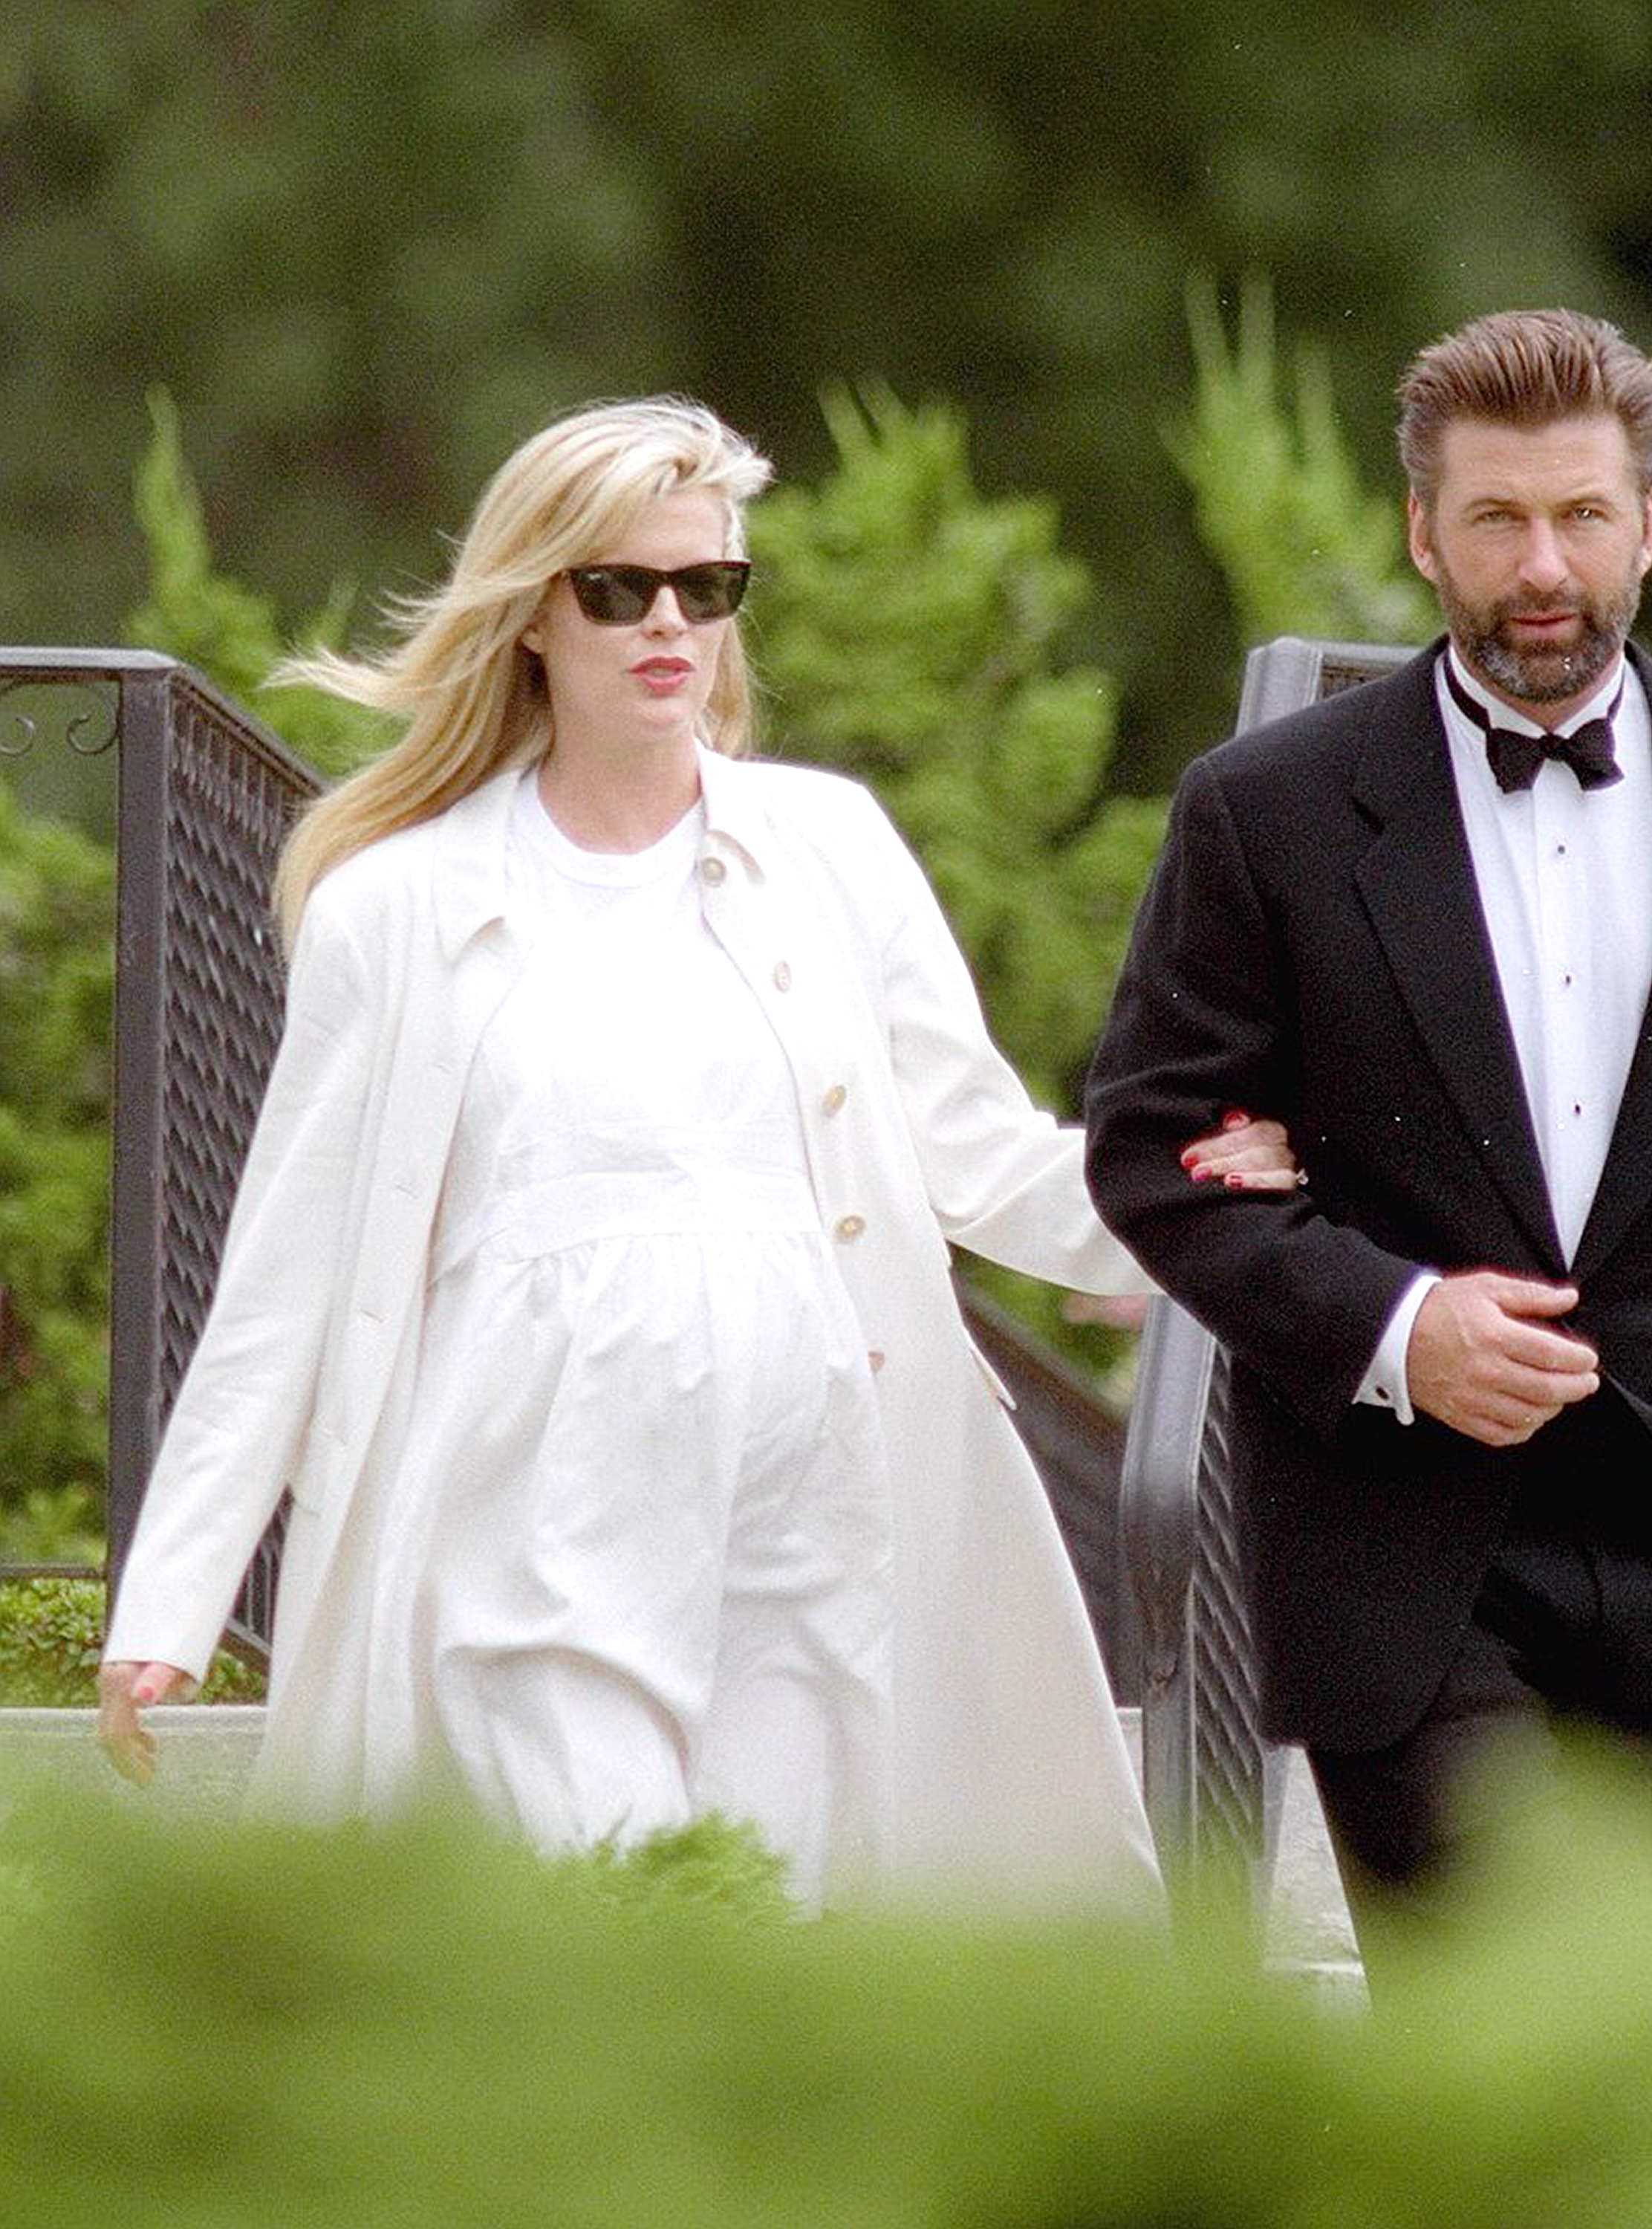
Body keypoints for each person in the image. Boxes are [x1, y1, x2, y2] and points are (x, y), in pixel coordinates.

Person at [98, 396, 1293, 1910]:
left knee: (765, 1917)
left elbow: (976, 1156)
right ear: (534, 610)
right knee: (598, 1890)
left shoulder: (826, 846)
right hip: (525, 1498)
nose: (669, 623)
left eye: (706, 587)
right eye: (618, 588)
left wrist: (1197, 1196)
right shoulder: (391, 908)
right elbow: (287, 1273)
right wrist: (176, 1593)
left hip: (810, 1494)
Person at [1085, 309, 1652, 1958]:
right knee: (1485, 2014)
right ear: (1420, 531)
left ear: (1645, 523)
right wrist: (1392, 1324)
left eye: (1579, 515)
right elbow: (1152, 1140)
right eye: (1494, 519)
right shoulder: (1261, 810)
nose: (1540, 565)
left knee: (1622, 2066)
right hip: (1396, 1550)